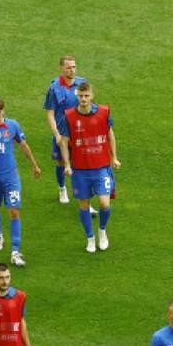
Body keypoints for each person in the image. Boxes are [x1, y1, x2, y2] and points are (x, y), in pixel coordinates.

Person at [0, 98, 42, 267]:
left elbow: (24, 146)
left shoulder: (13, 126)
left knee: (14, 211)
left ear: (3, 110)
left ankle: (15, 252)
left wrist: (34, 165)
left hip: (11, 177)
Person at [59, 82, 121, 253]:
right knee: (84, 205)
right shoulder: (69, 116)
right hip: (80, 170)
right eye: (80, 96)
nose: (83, 99)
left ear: (92, 96)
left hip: (101, 167)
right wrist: (67, 165)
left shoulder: (103, 112)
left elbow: (110, 135)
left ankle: (101, 231)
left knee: (104, 203)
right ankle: (90, 238)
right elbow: (63, 142)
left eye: (86, 96)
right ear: (76, 96)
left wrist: (114, 158)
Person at [44, 56, 87, 204]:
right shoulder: (54, 88)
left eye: (74, 67)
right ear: (61, 68)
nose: (72, 70)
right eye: (68, 67)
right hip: (62, 132)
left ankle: (85, 201)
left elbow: (87, 106)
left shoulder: (82, 83)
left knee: (81, 165)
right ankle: (62, 189)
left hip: (79, 132)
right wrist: (56, 134)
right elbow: (50, 113)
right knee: (61, 163)